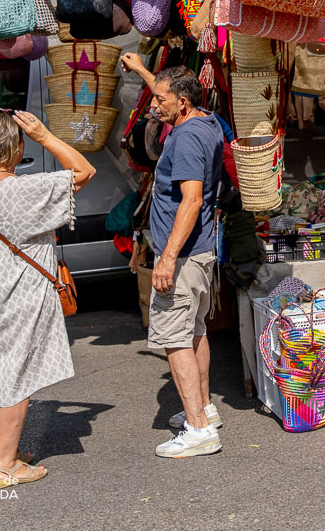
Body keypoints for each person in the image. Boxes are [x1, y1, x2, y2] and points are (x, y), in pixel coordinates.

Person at [0, 108, 96, 489]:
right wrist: (46, 137)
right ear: (16, 148)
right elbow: (84, 171)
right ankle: (5, 466)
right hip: (20, 295)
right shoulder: (22, 190)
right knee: (17, 380)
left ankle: (3, 451)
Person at [120, 56, 224, 457]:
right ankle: (205, 409)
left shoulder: (184, 139)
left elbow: (192, 200)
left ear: (181, 103)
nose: (153, 105)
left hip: (182, 259)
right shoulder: (206, 121)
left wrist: (166, 258)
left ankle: (198, 430)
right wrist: (149, 76)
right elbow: (175, 87)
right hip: (200, 254)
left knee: (174, 339)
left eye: (160, 99)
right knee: (195, 331)